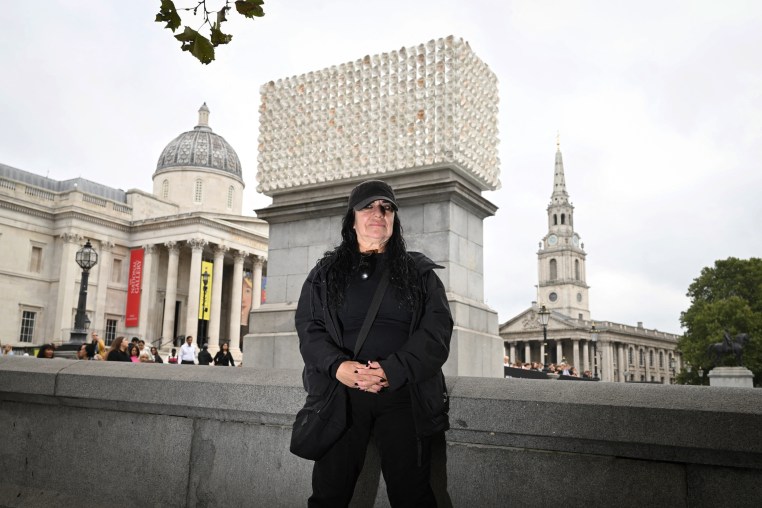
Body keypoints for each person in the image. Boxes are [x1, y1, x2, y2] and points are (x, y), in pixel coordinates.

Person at [295, 180, 453, 507]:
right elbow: (308, 328)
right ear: (352, 220)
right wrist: (337, 367)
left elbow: (437, 333)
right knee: (329, 496)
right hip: (340, 397)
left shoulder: (420, 273)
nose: (378, 214)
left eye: (387, 208)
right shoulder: (325, 273)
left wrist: (392, 371)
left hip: (403, 396)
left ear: (394, 220)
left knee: (414, 496)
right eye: (368, 207)